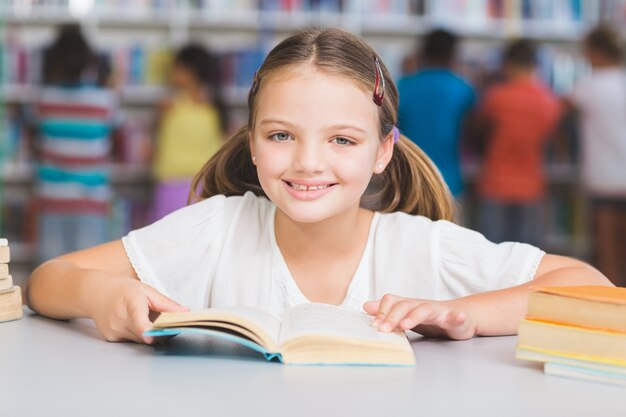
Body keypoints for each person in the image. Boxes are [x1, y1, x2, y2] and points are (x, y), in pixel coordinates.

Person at [26, 28, 611, 345]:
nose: (308, 163)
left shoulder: (422, 246)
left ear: (384, 151)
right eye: (281, 135)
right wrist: (103, 299)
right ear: (251, 142)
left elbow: (587, 284)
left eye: (342, 141)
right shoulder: (217, 227)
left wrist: (463, 312)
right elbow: (49, 280)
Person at [31, 24, 122, 263]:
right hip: (91, 200)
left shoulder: (43, 99)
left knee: (48, 276)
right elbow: (116, 140)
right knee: (89, 275)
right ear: (89, 61)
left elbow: (34, 138)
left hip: (52, 198)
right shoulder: (104, 101)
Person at [474, 39, 562, 246]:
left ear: (507, 64)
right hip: (531, 185)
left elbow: (478, 128)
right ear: (535, 66)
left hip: (495, 183)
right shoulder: (549, 101)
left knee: (492, 254)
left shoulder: (496, 97)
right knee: (529, 257)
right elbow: (553, 140)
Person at [566, 25, 626, 286]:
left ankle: (615, 308)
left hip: (603, 178)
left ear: (595, 52)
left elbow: (557, 115)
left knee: (607, 253)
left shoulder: (587, 86)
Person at [397, 28, 476, 197]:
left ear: (423, 53)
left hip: (409, 180)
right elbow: (472, 136)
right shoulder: (463, 90)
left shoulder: (403, 86)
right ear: (453, 54)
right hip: (449, 182)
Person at [151, 43, 225, 221]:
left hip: (200, 186)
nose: (172, 72)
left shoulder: (214, 108)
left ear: (191, 71)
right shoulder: (170, 105)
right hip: (175, 183)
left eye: (178, 68)